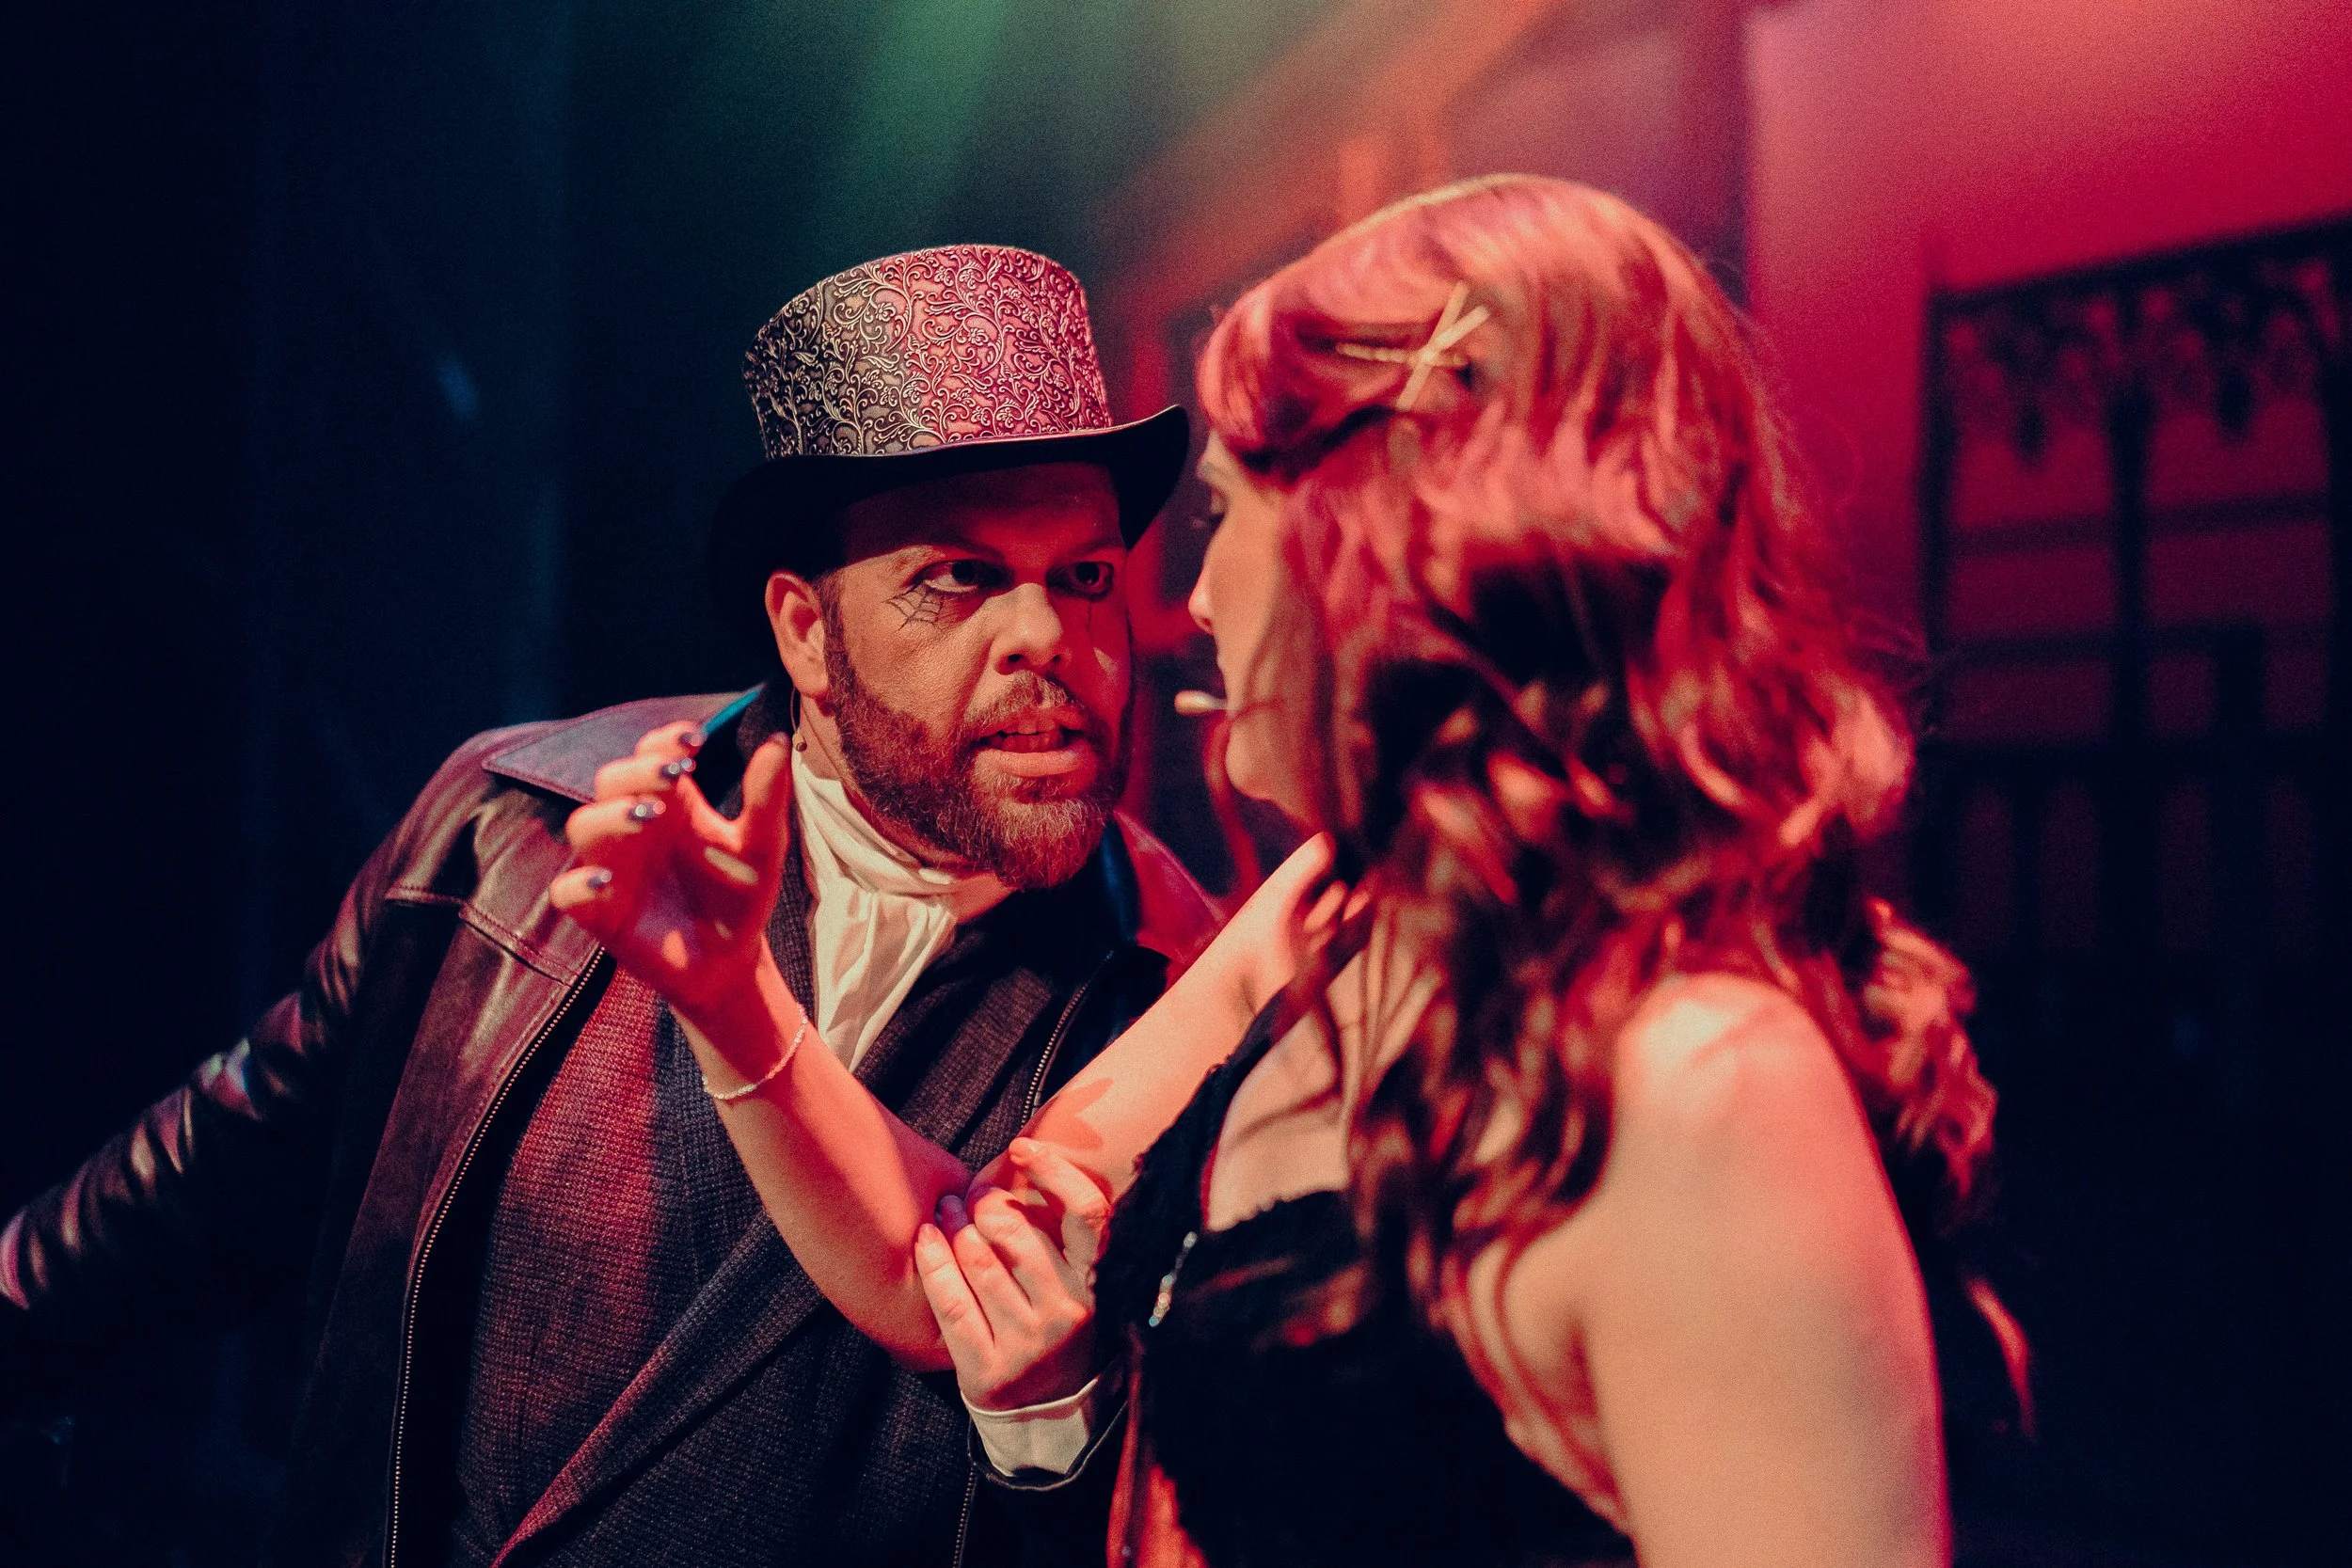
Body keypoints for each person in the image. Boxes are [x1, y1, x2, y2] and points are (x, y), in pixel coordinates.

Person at [557, 177, 2008, 1568]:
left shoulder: (1709, 1086)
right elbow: (958, 1256)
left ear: (1398, 533)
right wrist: (732, 996)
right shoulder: (1324, 912)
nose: (1189, 596)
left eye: (1230, 509)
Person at [0, 243, 1223, 1567]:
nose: (1047, 634)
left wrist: (1055, 1426)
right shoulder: (515, 826)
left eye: (1085, 575)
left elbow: (1175, 1504)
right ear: (807, 633)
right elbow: (219, 1171)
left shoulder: (1172, 996)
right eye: (961, 577)